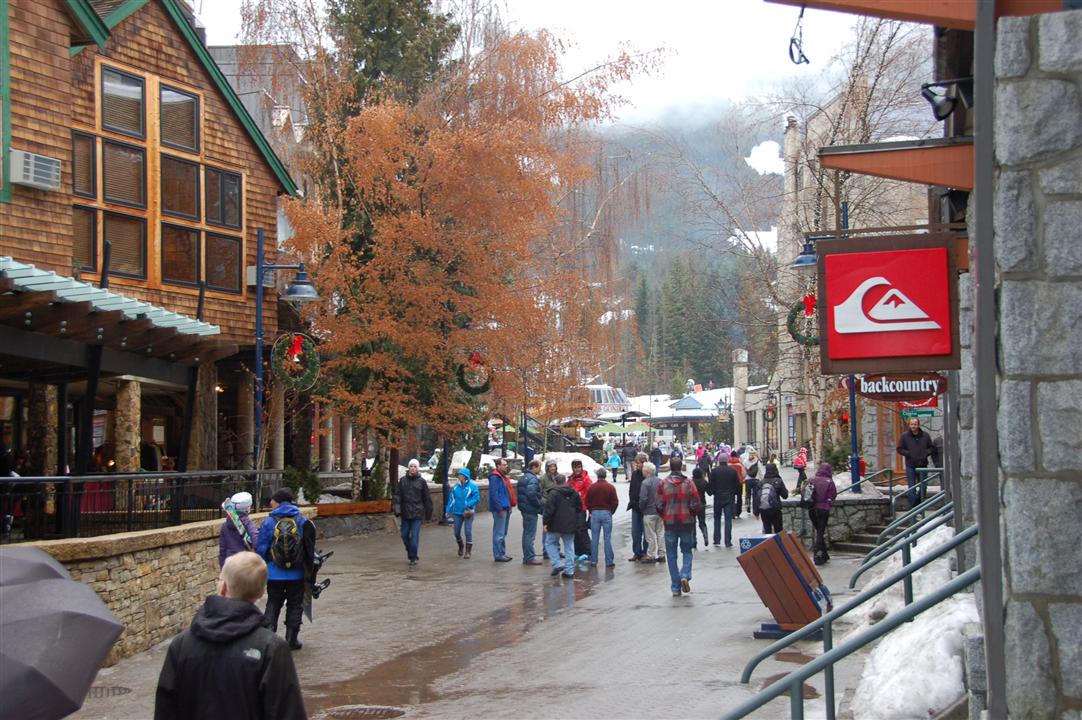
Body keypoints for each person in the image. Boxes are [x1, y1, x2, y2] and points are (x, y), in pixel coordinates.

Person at [154, 552, 306, 720]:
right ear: (262, 592)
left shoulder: (181, 645)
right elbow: (288, 713)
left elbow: (165, 710)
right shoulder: (271, 648)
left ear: (222, 587)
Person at [255, 488, 311, 650]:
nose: (270, 503)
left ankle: (269, 637)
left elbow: (262, 547)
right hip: (297, 573)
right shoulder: (302, 519)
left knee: (273, 602)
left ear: (279, 501)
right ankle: (291, 638)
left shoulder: (269, 521)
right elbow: (308, 546)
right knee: (295, 604)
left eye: (272, 500)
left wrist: (264, 563)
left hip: (274, 572)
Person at [656, 457, 702, 597]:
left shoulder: (663, 483)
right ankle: (685, 574)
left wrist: (665, 515)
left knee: (671, 555)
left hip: (670, 523)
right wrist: (691, 514)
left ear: (670, 467)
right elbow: (696, 503)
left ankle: (675, 587)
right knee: (687, 551)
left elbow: (658, 505)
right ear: (681, 466)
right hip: (686, 522)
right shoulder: (688, 483)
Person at [393, 459, 433, 567]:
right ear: (408, 468)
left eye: (415, 466)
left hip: (417, 513)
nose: (413, 468)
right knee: (404, 534)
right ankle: (410, 550)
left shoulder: (422, 482)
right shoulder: (402, 481)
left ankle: (413, 557)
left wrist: (428, 515)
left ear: (417, 468)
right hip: (405, 513)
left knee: (414, 536)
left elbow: (427, 499)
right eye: (411, 466)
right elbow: (397, 496)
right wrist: (397, 509)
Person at [543, 473, 583, 579]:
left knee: (550, 543)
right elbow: (579, 507)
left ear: (555, 482)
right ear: (565, 481)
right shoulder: (573, 492)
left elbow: (549, 510)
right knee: (569, 547)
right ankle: (569, 571)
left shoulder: (553, 493)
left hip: (555, 524)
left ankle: (557, 563)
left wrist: (545, 523)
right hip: (570, 524)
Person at [585, 466, 619, 567]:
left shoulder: (592, 487)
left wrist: (591, 510)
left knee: (595, 537)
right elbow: (615, 502)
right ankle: (609, 561)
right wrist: (611, 511)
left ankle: (594, 560)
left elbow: (587, 501)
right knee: (607, 538)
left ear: (597, 475)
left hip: (595, 513)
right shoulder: (610, 487)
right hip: (606, 513)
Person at [897, 417, 935, 508]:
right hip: (910, 465)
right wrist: (909, 454)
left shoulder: (925, 435)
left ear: (918, 425)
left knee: (923, 486)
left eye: (915, 424)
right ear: (909, 425)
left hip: (923, 465)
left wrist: (925, 453)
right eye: (912, 424)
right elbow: (899, 449)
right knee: (912, 487)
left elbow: (931, 448)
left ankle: (919, 506)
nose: (913, 426)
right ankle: (913, 509)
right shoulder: (904, 436)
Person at [445, 468, 479, 558]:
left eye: (461, 474)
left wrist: (468, 504)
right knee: (456, 532)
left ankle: (468, 551)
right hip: (457, 512)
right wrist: (448, 511)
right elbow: (451, 500)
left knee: (468, 531)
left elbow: (476, 498)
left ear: (465, 476)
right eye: (459, 474)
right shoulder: (456, 487)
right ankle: (461, 545)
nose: (459, 476)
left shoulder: (472, 486)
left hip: (468, 512)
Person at [708, 453, 740, 547]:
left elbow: (711, 484)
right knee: (728, 519)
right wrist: (734, 493)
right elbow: (737, 485)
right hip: (729, 497)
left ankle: (717, 539)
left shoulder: (714, 471)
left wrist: (712, 492)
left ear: (719, 461)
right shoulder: (732, 471)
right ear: (727, 461)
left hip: (718, 497)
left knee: (717, 518)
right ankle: (727, 541)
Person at [808, 462, 838, 564]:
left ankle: (824, 553)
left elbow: (805, 492)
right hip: (823, 509)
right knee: (820, 532)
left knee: (819, 530)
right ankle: (818, 555)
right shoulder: (829, 481)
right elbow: (833, 495)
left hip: (812, 509)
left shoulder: (812, 479)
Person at [219, 491, 258, 568]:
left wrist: (223, 569)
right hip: (245, 565)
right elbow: (256, 543)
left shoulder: (225, 526)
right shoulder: (248, 524)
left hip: (229, 564)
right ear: (248, 507)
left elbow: (222, 550)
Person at [488, 458, 516, 562]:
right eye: (504, 464)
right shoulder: (495, 477)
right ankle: (498, 555)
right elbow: (494, 494)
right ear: (498, 466)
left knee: (503, 532)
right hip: (500, 509)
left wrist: (509, 506)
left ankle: (502, 553)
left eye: (506, 464)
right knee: (499, 533)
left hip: (505, 507)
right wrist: (499, 508)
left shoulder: (502, 476)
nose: (506, 466)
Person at [517, 459, 544, 565]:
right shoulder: (533, 479)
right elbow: (531, 494)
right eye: (539, 466)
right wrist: (538, 504)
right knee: (530, 534)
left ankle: (527, 556)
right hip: (530, 510)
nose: (540, 469)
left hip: (524, 509)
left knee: (526, 533)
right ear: (534, 467)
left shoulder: (524, 477)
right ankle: (529, 557)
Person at [638, 461, 665, 563]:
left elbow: (643, 498)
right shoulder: (660, 481)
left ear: (647, 472)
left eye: (644, 470)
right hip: (660, 511)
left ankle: (651, 554)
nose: (643, 472)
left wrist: (641, 508)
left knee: (650, 535)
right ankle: (662, 554)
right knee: (660, 533)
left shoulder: (645, 483)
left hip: (649, 512)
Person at [567, 460, 593, 561]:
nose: (577, 469)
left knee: (582, 529)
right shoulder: (570, 479)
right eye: (575, 467)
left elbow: (590, 494)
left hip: (582, 508)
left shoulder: (586, 479)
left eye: (579, 467)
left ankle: (588, 552)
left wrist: (590, 509)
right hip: (571, 509)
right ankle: (577, 551)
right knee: (574, 530)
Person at [626, 451, 650, 561]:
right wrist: (632, 500)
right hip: (635, 506)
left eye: (639, 463)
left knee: (646, 532)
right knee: (635, 532)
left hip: (646, 508)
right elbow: (632, 489)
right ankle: (637, 552)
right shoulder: (635, 474)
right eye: (636, 463)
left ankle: (645, 552)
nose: (637, 465)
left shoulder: (649, 475)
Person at [756, 462, 788, 534]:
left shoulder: (761, 482)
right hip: (775, 509)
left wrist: (756, 512)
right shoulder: (778, 481)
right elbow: (785, 496)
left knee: (767, 531)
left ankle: (769, 545)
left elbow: (757, 498)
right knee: (778, 531)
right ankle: (778, 544)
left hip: (764, 510)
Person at [690, 467, 710, 548]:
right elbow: (709, 492)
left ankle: (694, 541)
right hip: (702, 504)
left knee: (692, 523)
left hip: (692, 505)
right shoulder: (704, 482)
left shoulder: (690, 483)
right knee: (702, 522)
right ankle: (705, 536)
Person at [727, 451, 746, 518]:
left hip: (730, 483)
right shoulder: (740, 463)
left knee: (731, 497)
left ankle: (733, 512)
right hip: (739, 482)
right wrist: (742, 478)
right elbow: (744, 473)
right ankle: (738, 512)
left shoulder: (728, 463)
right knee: (739, 497)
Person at [743, 450, 761, 514]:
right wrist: (761, 479)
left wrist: (744, 478)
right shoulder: (757, 461)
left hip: (748, 480)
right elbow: (760, 471)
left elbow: (744, 471)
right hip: (756, 480)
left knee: (748, 494)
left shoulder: (745, 461)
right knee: (755, 495)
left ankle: (748, 506)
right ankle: (755, 509)